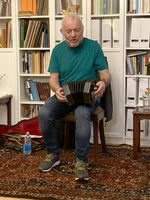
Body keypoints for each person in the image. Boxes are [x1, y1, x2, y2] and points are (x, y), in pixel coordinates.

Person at [38, 12, 111, 181]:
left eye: (76, 30)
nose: (73, 35)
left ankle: (81, 160)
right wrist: (56, 89)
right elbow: (53, 79)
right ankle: (53, 154)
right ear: (62, 32)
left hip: (88, 96)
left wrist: (103, 84)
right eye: (69, 31)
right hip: (65, 96)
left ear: (82, 30)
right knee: (44, 113)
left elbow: (106, 74)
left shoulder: (94, 47)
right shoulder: (57, 51)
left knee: (81, 113)